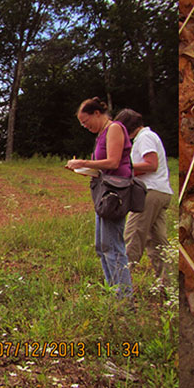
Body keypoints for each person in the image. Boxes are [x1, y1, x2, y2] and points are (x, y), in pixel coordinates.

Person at [65, 97, 133, 299]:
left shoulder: (114, 128)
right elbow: (103, 168)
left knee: (112, 246)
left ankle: (124, 297)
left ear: (97, 113)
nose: (85, 127)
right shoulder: (101, 134)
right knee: (102, 246)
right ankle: (113, 291)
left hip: (115, 195)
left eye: (86, 122)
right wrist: (84, 169)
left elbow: (113, 162)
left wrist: (84, 162)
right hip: (104, 193)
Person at [114, 109, 173, 284]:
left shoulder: (145, 137)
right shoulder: (148, 136)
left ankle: (120, 284)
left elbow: (151, 164)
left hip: (150, 192)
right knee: (158, 242)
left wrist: (125, 169)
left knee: (133, 237)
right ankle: (167, 285)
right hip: (161, 191)